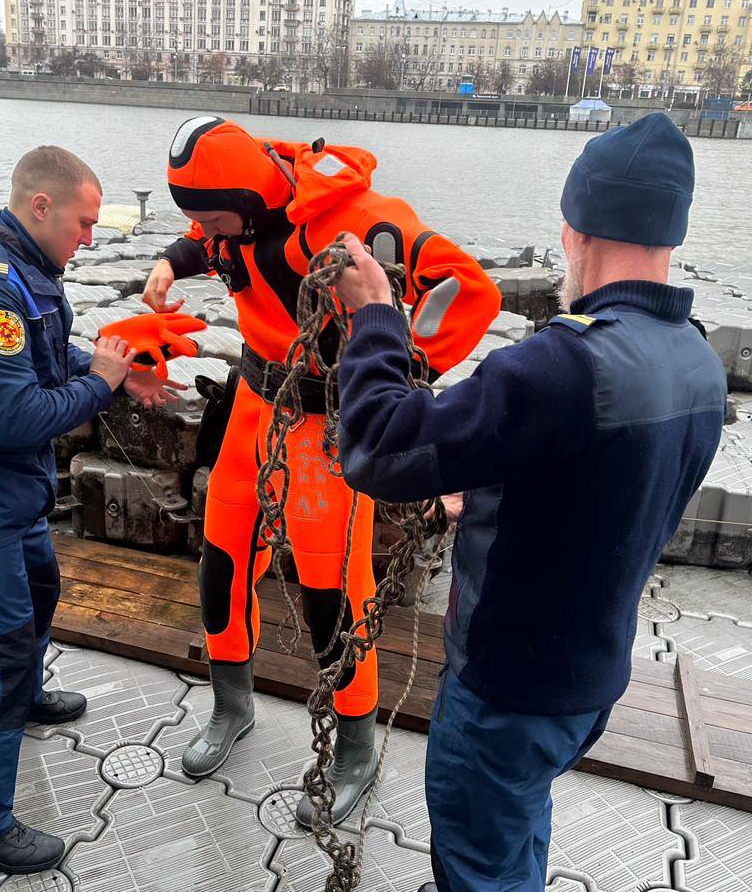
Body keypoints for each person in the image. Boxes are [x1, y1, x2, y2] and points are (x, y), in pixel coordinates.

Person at [331, 113, 727, 892]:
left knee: (480, 865)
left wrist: (374, 316)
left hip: (506, 693)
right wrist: (484, 492)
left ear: (575, 230)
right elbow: (603, 488)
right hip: (587, 679)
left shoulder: (565, 363)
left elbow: (377, 445)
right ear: (670, 233)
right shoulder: (697, 360)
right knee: (515, 825)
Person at [143, 116, 500, 825]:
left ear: (245, 201)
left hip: (323, 422)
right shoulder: (233, 219)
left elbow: (470, 288)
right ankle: (231, 705)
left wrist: (397, 358)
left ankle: (356, 749)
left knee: (330, 593)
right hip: (252, 403)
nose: (204, 233)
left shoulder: (363, 222)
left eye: (210, 219)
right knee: (221, 558)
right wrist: (171, 261)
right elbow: (210, 242)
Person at [0, 146, 178, 875]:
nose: (91, 237)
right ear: (42, 207)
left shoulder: (26, 268)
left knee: (40, 591)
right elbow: (17, 415)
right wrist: (104, 383)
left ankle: (23, 699)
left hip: (2, 489)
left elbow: (43, 362)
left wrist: (110, 370)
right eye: (84, 222)